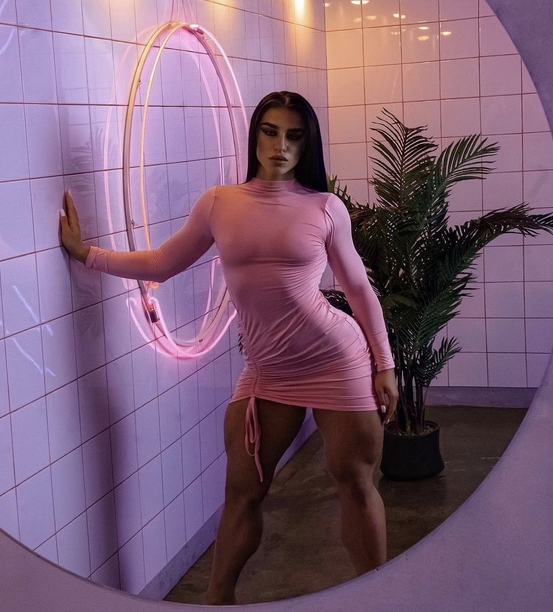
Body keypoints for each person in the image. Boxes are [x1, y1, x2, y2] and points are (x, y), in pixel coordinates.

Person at [60, 91, 398, 605]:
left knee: (353, 480)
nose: (280, 146)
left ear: (307, 144)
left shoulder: (325, 208)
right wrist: (87, 254)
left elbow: (357, 289)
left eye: (294, 136)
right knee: (242, 493)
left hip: (336, 359)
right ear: (254, 134)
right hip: (267, 372)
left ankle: (382, 596)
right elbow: (162, 263)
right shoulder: (220, 203)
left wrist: (384, 365)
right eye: (270, 132)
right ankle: (217, 600)